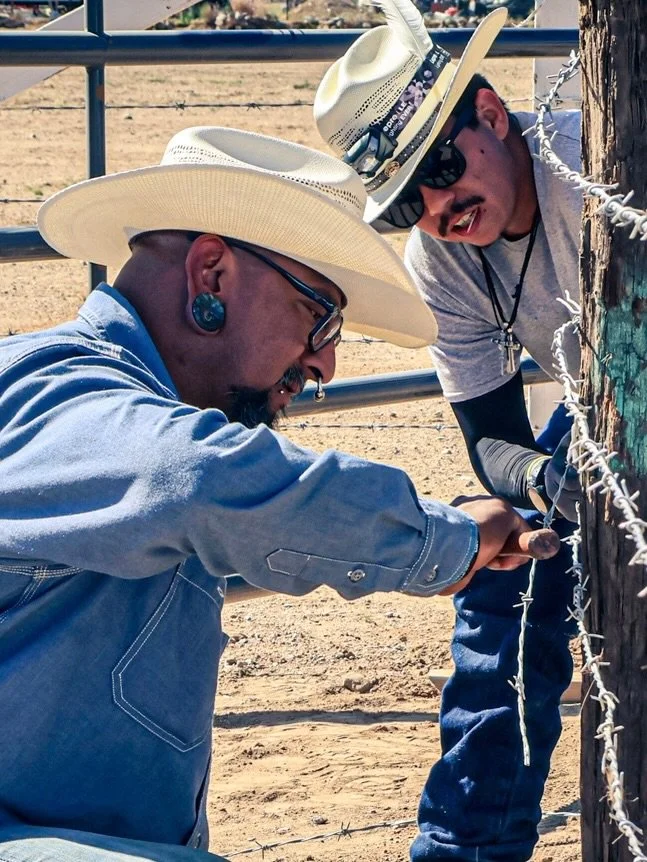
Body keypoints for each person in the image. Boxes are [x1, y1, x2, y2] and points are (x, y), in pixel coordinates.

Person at [0, 126, 561, 862]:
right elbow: (191, 479)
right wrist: (446, 539)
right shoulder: (59, 394)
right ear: (211, 275)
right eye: (317, 314)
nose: (325, 362)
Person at [314, 5, 583, 861]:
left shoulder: (600, 167)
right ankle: (468, 846)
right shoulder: (445, 261)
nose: (438, 207)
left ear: (492, 116)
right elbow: (491, 443)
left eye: (438, 165)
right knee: (503, 572)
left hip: (616, 407)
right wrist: (546, 491)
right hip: (611, 413)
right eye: (405, 203)